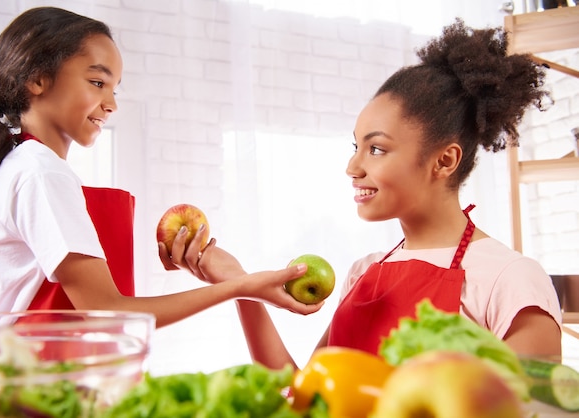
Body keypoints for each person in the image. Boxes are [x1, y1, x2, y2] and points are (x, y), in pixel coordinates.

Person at [163, 19, 562, 367]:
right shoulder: (363, 273)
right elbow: (306, 400)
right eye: (356, 147)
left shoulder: (511, 280)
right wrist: (239, 285)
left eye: (377, 148)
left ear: (444, 161)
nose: (353, 168)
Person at [0, 6, 322, 324]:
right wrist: (239, 286)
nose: (112, 104)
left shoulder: (25, 165)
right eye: (97, 82)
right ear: (36, 79)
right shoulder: (40, 172)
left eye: (115, 89)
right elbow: (107, 311)